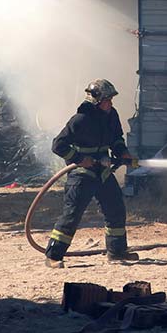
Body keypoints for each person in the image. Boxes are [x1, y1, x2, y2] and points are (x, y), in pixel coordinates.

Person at [44, 78, 137, 268]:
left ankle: (117, 252)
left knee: (116, 210)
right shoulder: (80, 120)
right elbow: (58, 145)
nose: (110, 104)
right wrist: (79, 159)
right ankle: (53, 256)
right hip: (81, 174)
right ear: (96, 100)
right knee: (72, 215)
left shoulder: (111, 115)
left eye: (111, 100)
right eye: (107, 100)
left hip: (102, 172)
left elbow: (116, 140)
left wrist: (123, 153)